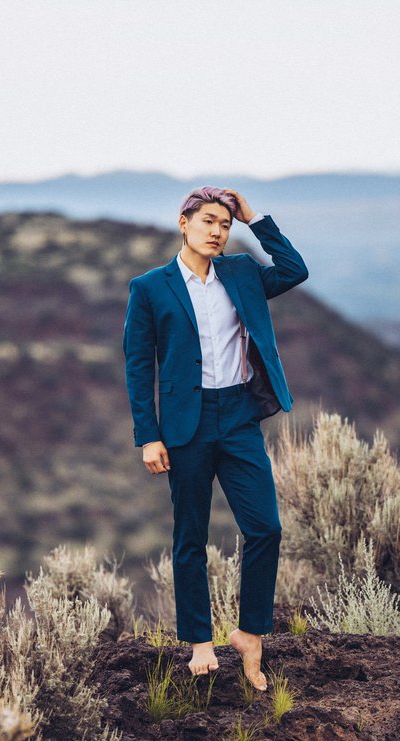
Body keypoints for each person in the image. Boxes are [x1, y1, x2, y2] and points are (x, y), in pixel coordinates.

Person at [122, 186, 308, 691]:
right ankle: (199, 642)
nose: (217, 231)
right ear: (183, 223)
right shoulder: (150, 288)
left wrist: (254, 218)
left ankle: (250, 633)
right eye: (208, 221)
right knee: (191, 536)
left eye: (224, 224)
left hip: (239, 416)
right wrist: (148, 435)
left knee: (265, 528)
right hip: (186, 423)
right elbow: (139, 367)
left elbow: (294, 270)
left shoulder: (242, 273)